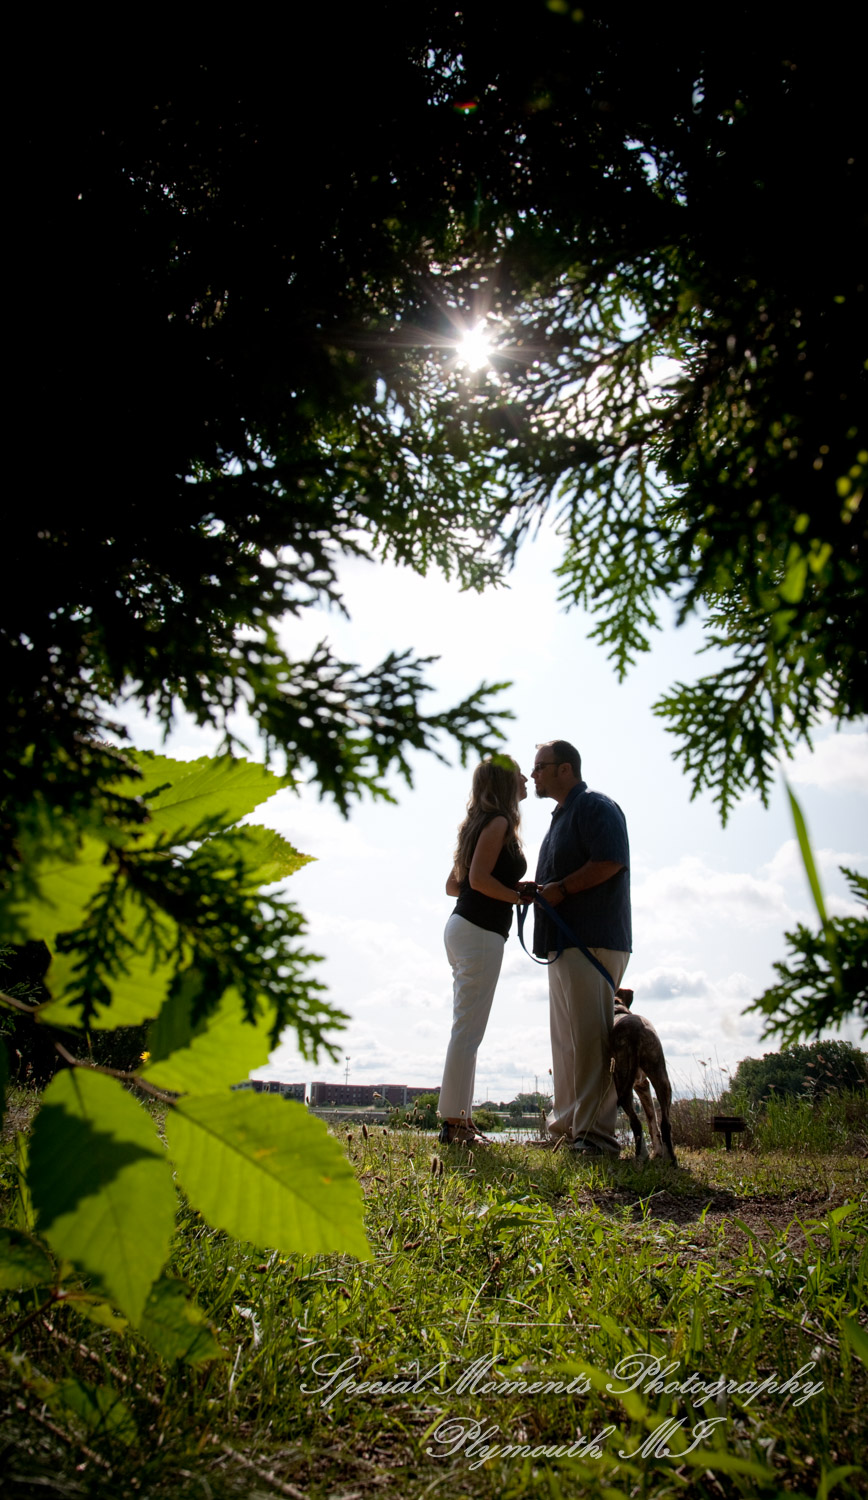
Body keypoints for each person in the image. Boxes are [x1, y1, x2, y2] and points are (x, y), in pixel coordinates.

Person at [531, 740, 631, 1155]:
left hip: (593, 938)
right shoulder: (561, 817)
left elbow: (610, 860)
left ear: (565, 769)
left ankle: (596, 1135)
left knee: (590, 1042)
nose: (533, 774)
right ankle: (570, 1129)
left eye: (540, 767)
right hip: (564, 943)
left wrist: (563, 888)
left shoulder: (595, 806)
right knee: (568, 1043)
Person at [438, 758, 531, 1144]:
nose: (526, 778)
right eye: (520, 774)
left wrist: (510, 890)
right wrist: (516, 896)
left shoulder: (478, 825)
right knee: (468, 1031)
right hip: (479, 933)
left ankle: (460, 1118)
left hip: (464, 928)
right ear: (506, 783)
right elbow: (475, 880)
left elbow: (455, 885)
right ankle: (455, 1124)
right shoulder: (499, 823)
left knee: (467, 1028)